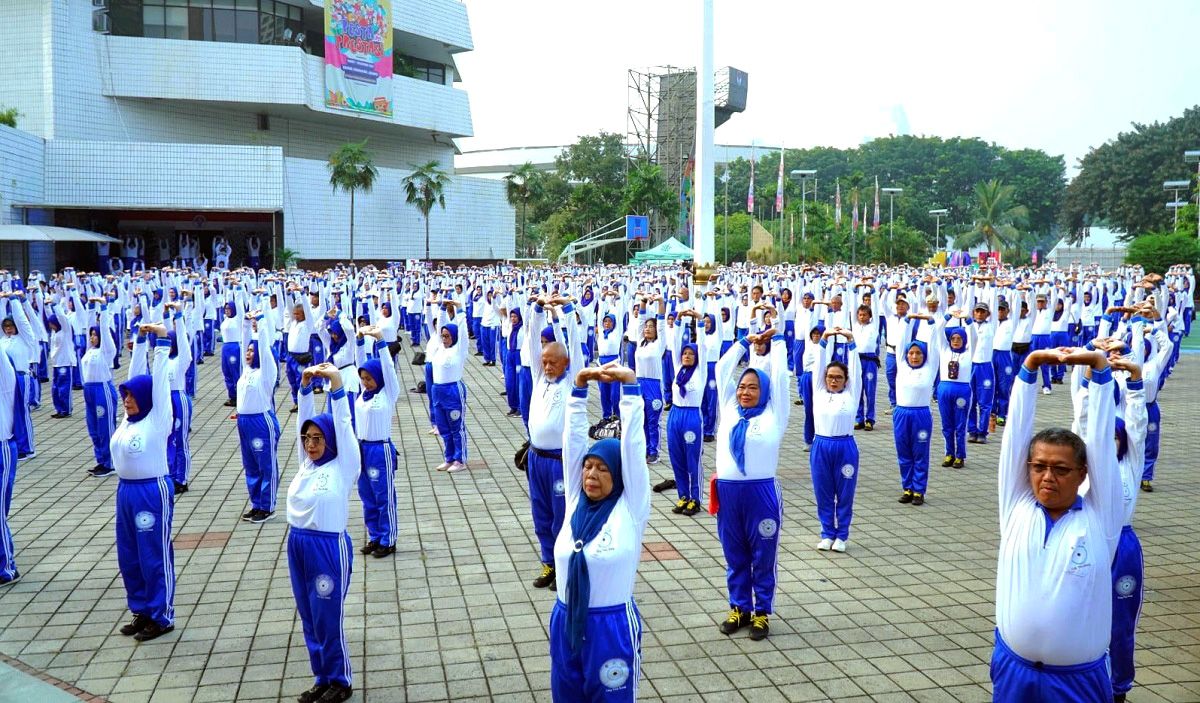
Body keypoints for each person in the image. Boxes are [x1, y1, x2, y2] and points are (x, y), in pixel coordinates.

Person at [991, 346, 1119, 702]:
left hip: (1077, 681)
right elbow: (1014, 436)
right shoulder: (1016, 506)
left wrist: (1099, 369)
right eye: (1039, 467)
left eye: (1061, 470)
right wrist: (1030, 366)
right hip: (1012, 671)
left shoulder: (1100, 518)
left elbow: (1103, 446)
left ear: (1083, 474)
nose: (1048, 477)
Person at [550, 362, 647, 702]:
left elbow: (633, 449)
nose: (591, 474)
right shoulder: (575, 503)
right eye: (588, 467)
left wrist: (630, 390)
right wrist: (578, 389)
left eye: (603, 468)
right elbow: (573, 443)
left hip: (611, 627)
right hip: (565, 620)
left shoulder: (629, 508)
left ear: (618, 475)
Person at [288, 363, 358, 703]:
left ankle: (340, 681)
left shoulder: (343, 465)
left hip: (328, 548)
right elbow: (303, 418)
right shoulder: (306, 464)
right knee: (310, 616)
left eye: (318, 438)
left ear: (329, 441)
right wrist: (304, 387)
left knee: (328, 617)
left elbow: (343, 426)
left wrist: (336, 385)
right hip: (298, 545)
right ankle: (322, 676)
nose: (311, 444)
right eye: (307, 438)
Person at [712, 329, 788, 640]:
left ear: (764, 391)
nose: (745, 391)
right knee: (734, 553)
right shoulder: (729, 406)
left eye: (753, 387)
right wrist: (745, 341)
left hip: (761, 494)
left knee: (763, 555)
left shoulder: (774, 412)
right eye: (742, 386)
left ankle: (762, 612)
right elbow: (720, 369)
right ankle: (739, 607)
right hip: (729, 493)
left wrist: (779, 341)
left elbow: (781, 378)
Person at [111, 321, 177, 643]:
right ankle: (141, 610)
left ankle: (161, 615)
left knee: (153, 553)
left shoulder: (158, 417)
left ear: (146, 398)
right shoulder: (127, 418)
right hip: (126, 492)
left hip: (152, 491)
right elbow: (136, 372)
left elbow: (159, 382)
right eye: (124, 395)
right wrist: (139, 340)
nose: (127, 399)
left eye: (133, 396)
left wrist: (161, 341)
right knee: (130, 554)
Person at [525, 294, 582, 591]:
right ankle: (549, 562)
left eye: (553, 362)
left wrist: (567, 310)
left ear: (565, 364)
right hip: (536, 458)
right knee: (541, 512)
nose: (547, 366)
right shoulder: (538, 378)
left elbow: (575, 343)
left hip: (560, 461)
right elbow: (533, 337)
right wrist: (536, 309)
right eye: (544, 361)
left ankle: (565, 565)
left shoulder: (572, 381)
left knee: (562, 515)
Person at [810, 326, 860, 552]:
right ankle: (827, 533)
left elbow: (857, 370)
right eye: (830, 377)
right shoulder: (819, 391)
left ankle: (842, 535)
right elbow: (818, 366)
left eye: (838, 377)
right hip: (820, 445)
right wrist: (825, 339)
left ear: (845, 380)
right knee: (823, 491)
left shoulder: (851, 393)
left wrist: (850, 341)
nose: (833, 380)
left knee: (845, 493)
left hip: (845, 447)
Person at [353, 325, 401, 558]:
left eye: (370, 378)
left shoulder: (387, 393)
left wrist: (381, 340)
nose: (365, 382)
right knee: (367, 496)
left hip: (380, 450)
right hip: (361, 448)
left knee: (383, 496)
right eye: (363, 378)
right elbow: (359, 361)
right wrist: (360, 340)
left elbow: (389, 369)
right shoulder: (362, 394)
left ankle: (388, 539)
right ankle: (374, 536)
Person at [235, 308, 280, 523]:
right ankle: (256, 503)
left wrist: (261, 323)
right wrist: (245, 323)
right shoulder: (246, 371)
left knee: (265, 464)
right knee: (251, 465)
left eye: (252, 351)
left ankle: (268, 505)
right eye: (248, 350)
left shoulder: (266, 373)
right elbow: (244, 342)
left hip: (261, 422)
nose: (248, 352)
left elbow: (263, 346)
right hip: (243, 422)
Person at [892, 317, 942, 505]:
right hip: (901, 415)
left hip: (921, 416)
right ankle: (907, 488)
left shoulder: (930, 367)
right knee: (903, 452)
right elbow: (901, 340)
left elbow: (934, 344)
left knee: (920, 453)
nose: (914, 356)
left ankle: (919, 490)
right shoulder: (902, 365)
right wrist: (907, 321)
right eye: (911, 353)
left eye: (918, 353)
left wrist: (929, 323)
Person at [666, 310, 707, 516]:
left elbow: (704, 347)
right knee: (677, 457)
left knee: (693, 458)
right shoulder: (677, 369)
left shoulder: (700, 372)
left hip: (691, 417)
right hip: (674, 415)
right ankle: (683, 496)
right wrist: (679, 320)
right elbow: (674, 344)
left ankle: (696, 498)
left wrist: (699, 322)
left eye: (691, 354)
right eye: (685, 354)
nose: (687, 356)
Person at [80, 297, 120, 478]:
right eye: (91, 335)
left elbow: (103, 327)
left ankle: (110, 462)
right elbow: (89, 323)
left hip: (102, 390)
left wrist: (103, 307)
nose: (92, 337)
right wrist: (90, 306)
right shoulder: (89, 351)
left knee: (105, 427)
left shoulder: (107, 350)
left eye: (95, 335)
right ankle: (101, 460)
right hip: (88, 391)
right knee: (93, 428)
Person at [428, 299, 469, 472]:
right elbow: (439, 326)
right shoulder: (439, 348)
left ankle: (460, 459)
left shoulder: (459, 349)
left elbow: (464, 330)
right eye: (443, 336)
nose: (444, 339)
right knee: (443, 427)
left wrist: (459, 309)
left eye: (447, 336)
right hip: (437, 391)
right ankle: (449, 457)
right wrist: (442, 308)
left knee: (456, 426)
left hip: (453, 391)